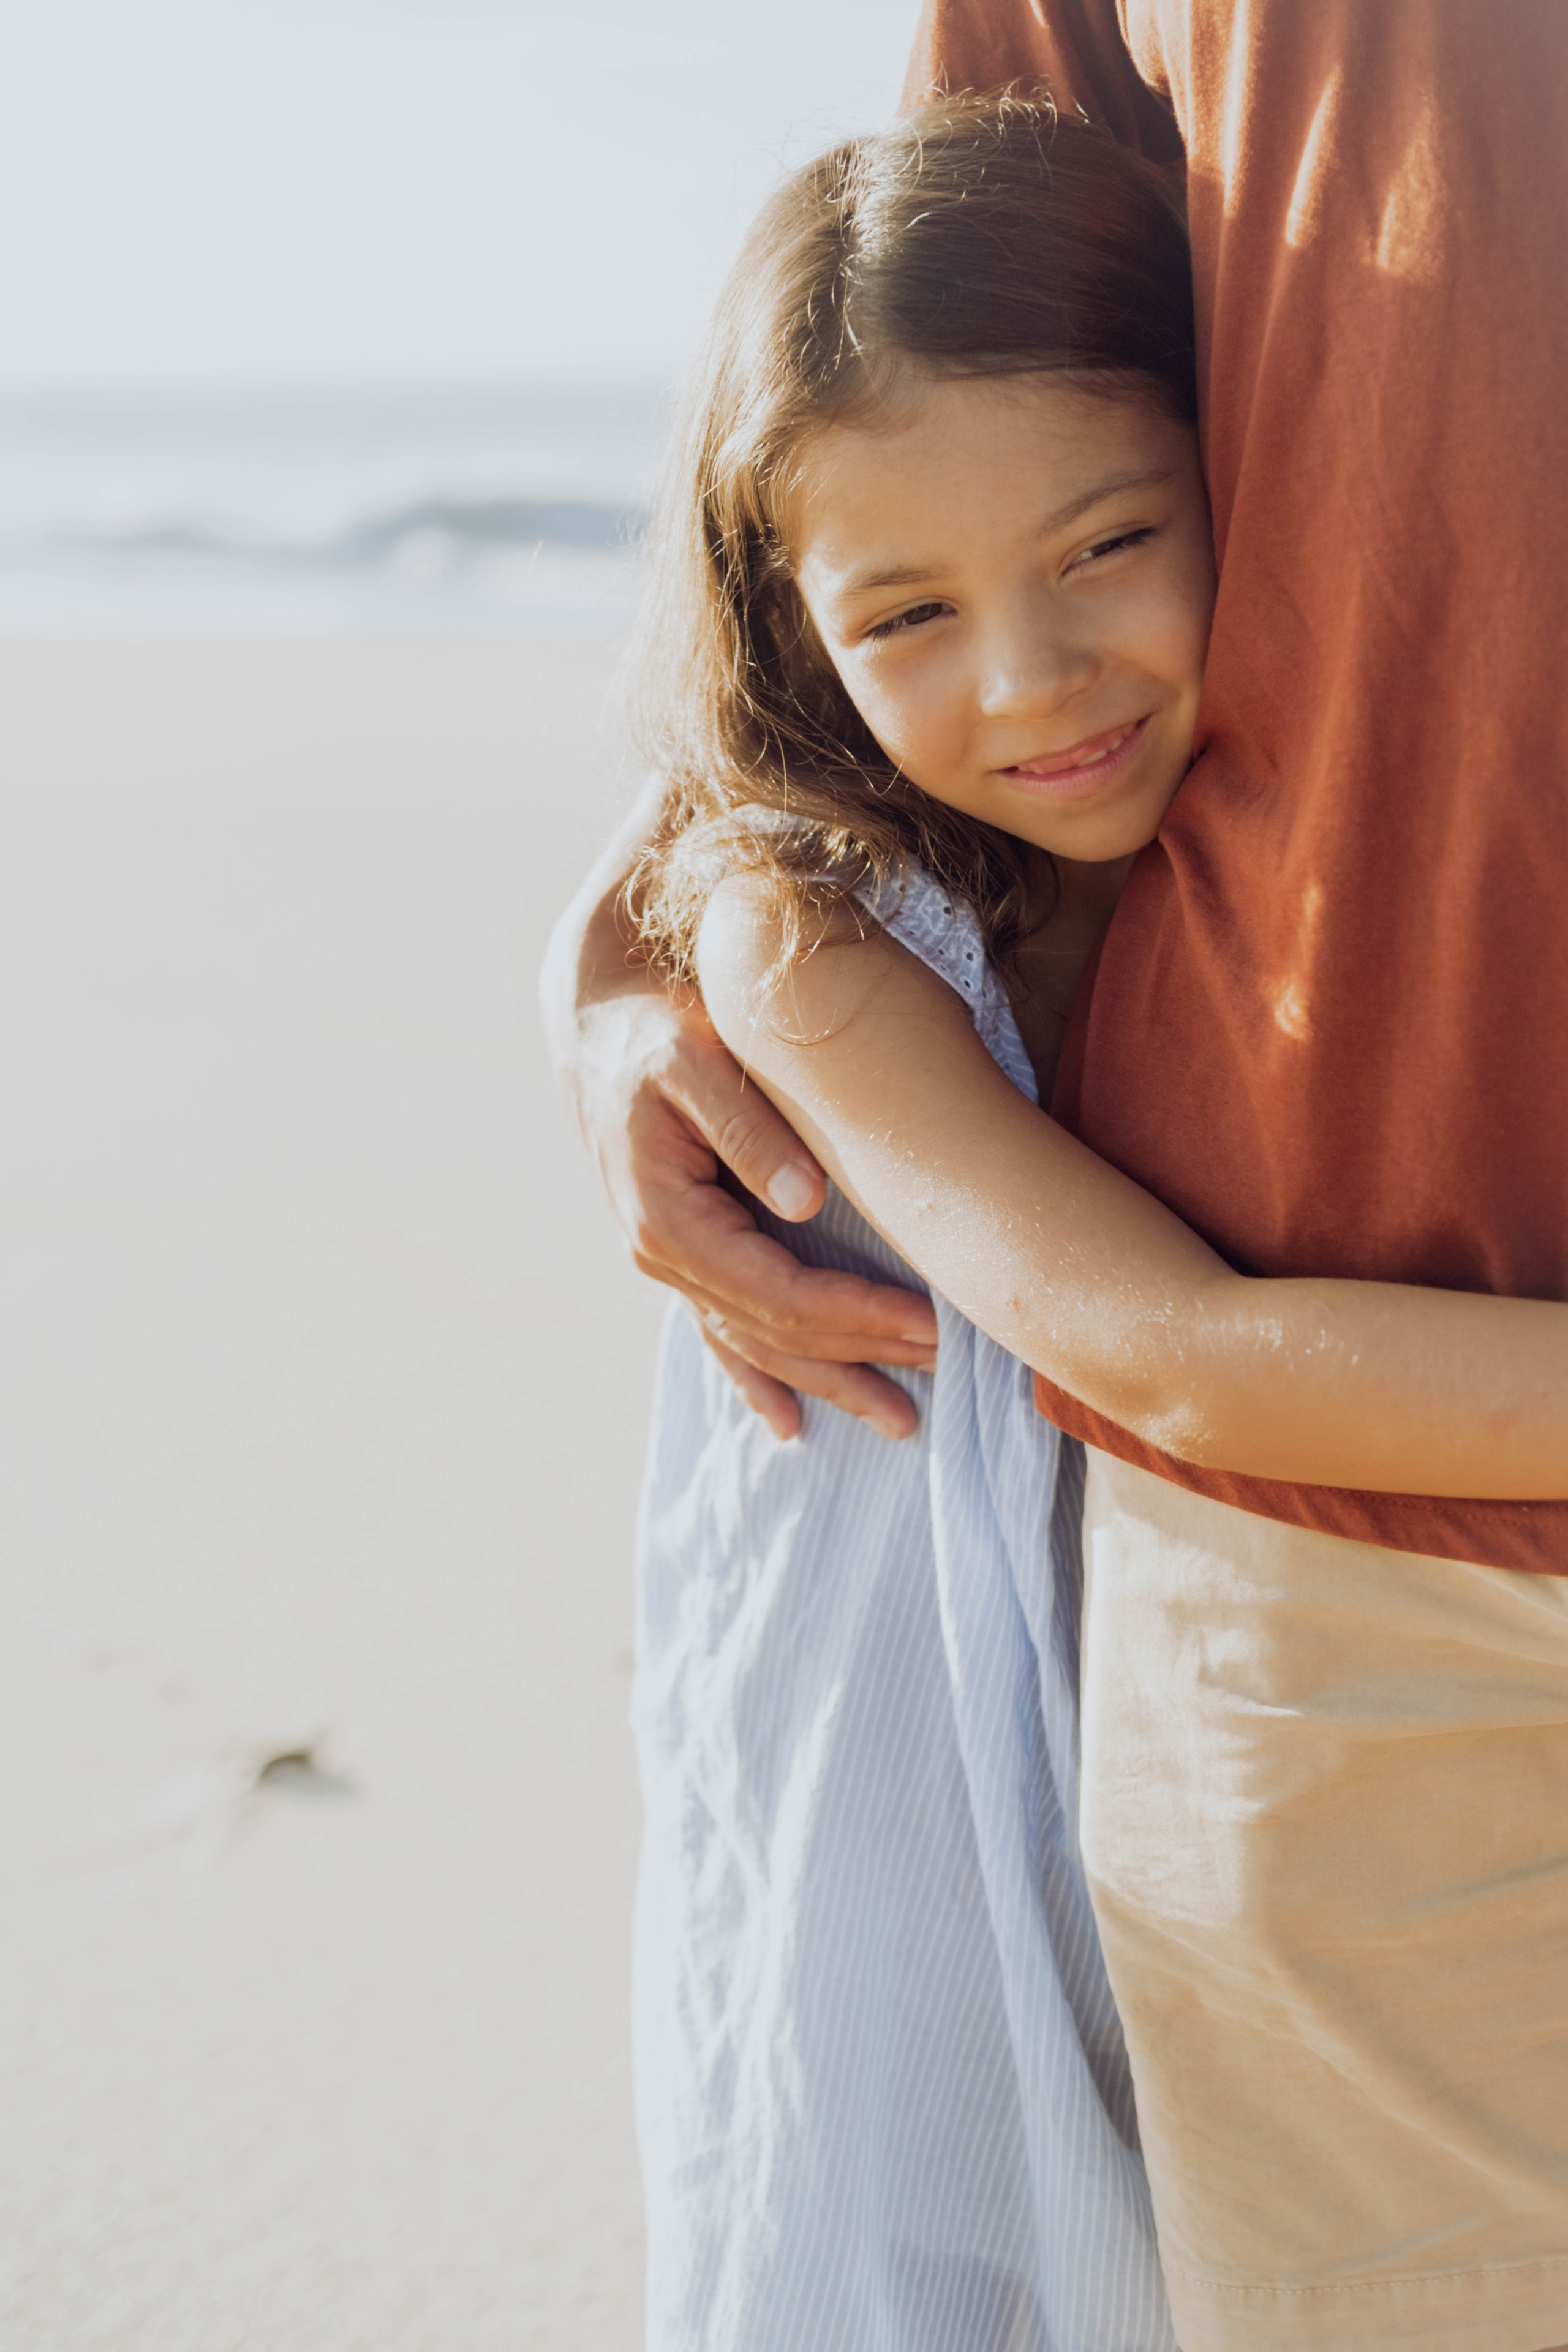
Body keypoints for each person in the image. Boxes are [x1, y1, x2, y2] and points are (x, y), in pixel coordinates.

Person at [544, 80, 1568, 2352]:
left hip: (1126, 1723)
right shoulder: (814, 930)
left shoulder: (1271, 848)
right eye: (906, 611)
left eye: (1109, 545)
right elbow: (1171, 1354)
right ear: (792, 631)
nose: (1032, 680)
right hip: (904, 1767)